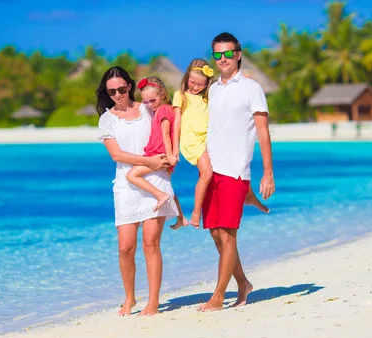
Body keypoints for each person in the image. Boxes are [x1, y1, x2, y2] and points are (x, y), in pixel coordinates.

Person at [198, 32, 276, 312]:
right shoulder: (213, 88)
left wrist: (267, 172)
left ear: (239, 54)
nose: (223, 59)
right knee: (216, 233)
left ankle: (218, 295)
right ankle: (243, 283)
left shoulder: (252, 88)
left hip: (235, 170)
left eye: (228, 54)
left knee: (228, 234)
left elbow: (263, 132)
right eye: (217, 54)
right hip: (210, 171)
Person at [96, 66, 179, 316]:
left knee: (151, 243)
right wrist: (148, 161)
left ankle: (153, 302)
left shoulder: (147, 108)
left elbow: (172, 121)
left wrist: (167, 160)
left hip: (154, 179)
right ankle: (130, 297)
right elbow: (116, 154)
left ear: (130, 86)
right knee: (125, 247)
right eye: (112, 91)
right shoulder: (106, 119)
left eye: (122, 89)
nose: (118, 95)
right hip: (126, 182)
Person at [173, 59, 269, 229]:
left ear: (206, 84)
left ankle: (250, 195)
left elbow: (227, 90)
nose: (195, 87)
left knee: (232, 164)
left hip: (208, 139)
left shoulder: (209, 95)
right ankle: (196, 212)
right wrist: (174, 149)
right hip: (193, 142)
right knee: (207, 174)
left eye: (200, 85)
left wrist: (245, 80)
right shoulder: (180, 95)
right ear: (186, 76)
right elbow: (177, 122)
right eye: (192, 82)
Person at [125, 76, 188, 230]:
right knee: (169, 187)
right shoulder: (161, 109)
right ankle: (181, 218)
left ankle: (160, 195)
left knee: (132, 175)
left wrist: (171, 155)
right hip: (161, 153)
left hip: (159, 154)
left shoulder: (163, 110)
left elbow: (166, 134)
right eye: (145, 102)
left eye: (152, 100)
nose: (149, 105)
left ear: (162, 95)